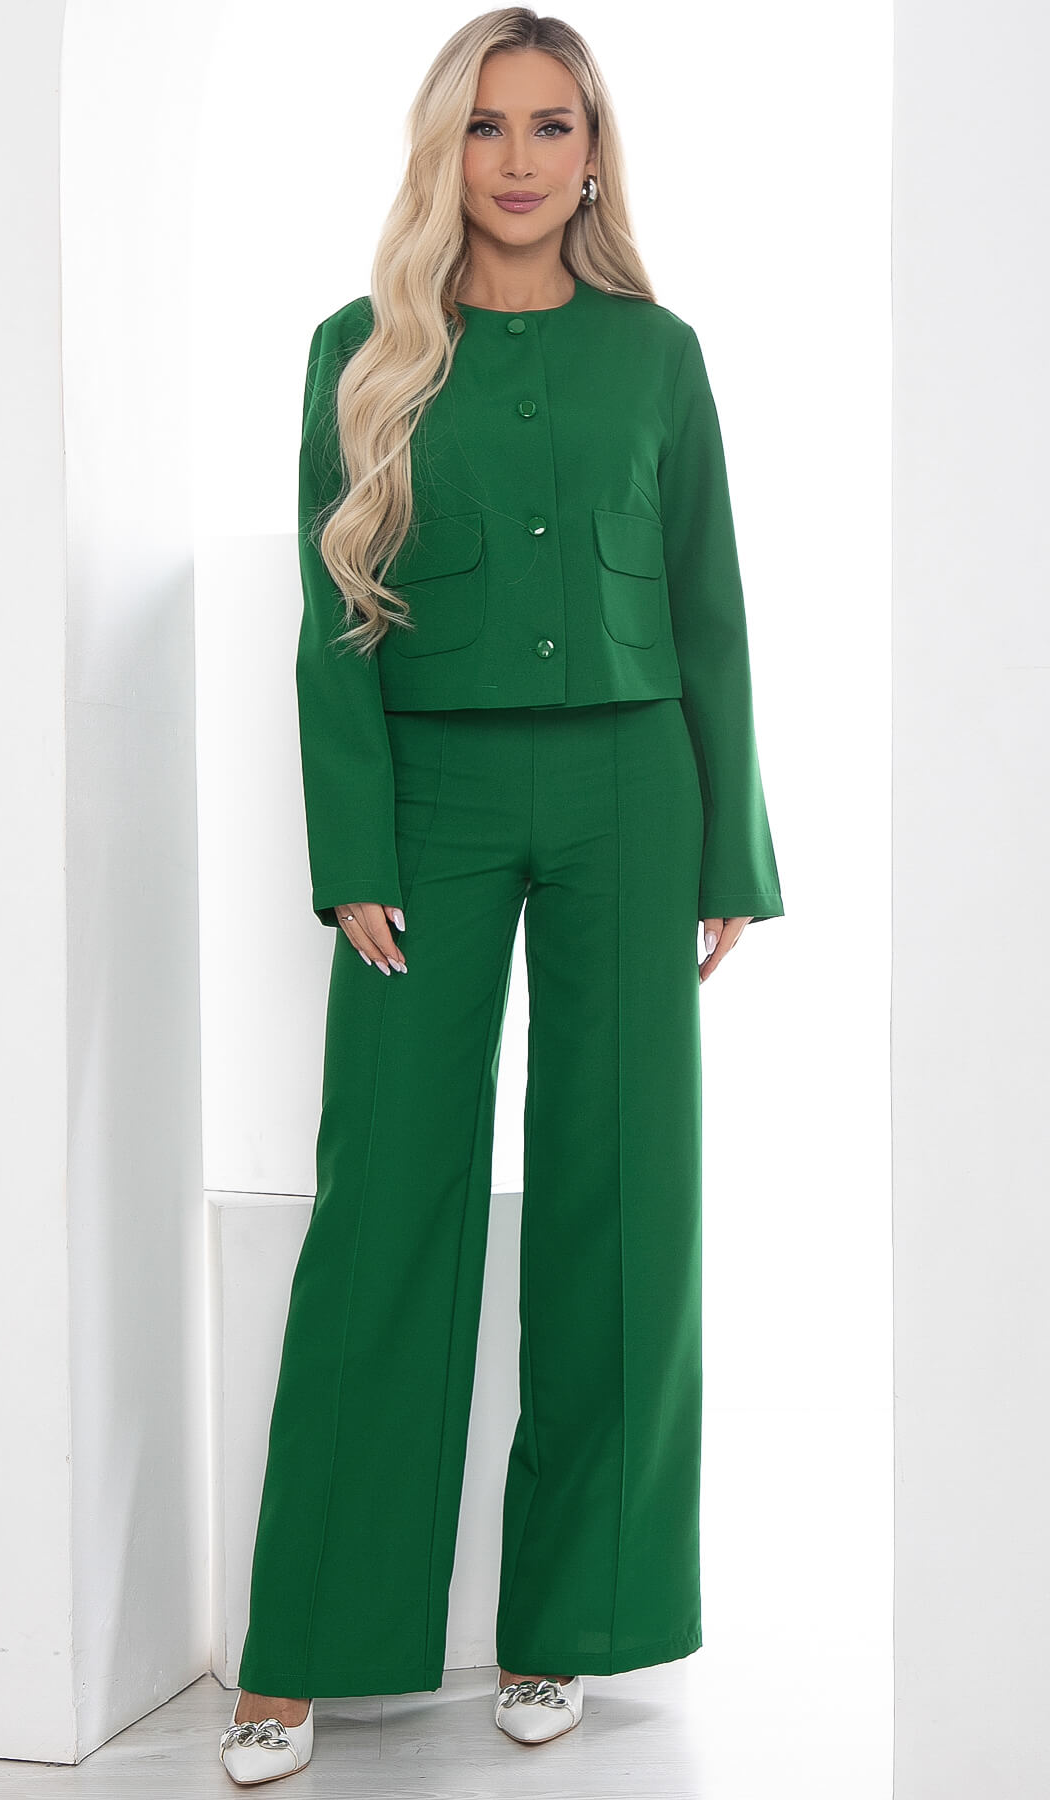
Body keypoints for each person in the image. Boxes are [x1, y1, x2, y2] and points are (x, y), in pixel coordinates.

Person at [219, 8, 784, 1786]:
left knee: (626, 1203)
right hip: (433, 801)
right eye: (487, 126)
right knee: (387, 1194)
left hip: (634, 791)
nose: (521, 159)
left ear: (595, 152)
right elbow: (332, 623)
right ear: (442, 148)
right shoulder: (362, 348)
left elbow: (709, 604)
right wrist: (354, 855)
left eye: (552, 125)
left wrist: (734, 851)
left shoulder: (659, 355)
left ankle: (567, 1622)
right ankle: (305, 1643)